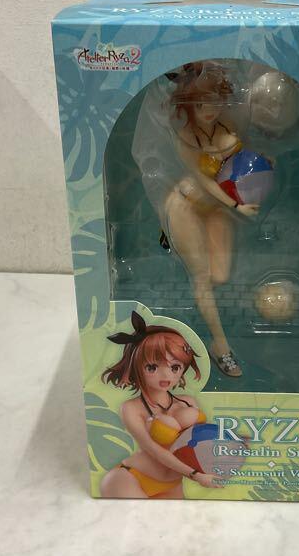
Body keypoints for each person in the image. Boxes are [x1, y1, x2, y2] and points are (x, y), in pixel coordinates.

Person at [163, 61, 258, 377]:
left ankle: (201, 317)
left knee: (220, 275)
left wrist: (259, 171)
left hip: (215, 210)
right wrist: (236, 205)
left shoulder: (226, 127)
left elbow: (239, 165)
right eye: (202, 102)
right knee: (202, 277)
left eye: (216, 101)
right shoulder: (185, 136)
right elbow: (205, 182)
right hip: (186, 205)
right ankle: (221, 346)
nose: (209, 109)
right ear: (189, 102)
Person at [99, 311, 224, 499]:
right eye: (152, 367)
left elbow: (201, 442)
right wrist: (195, 475)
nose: (166, 376)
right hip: (130, 478)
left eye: (175, 367)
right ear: (137, 367)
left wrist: (232, 444)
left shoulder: (188, 401)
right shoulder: (132, 408)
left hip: (173, 483)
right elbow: (153, 449)